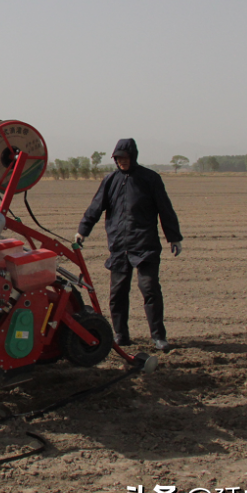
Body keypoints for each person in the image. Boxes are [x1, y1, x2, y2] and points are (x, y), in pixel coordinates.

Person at [75, 138, 182, 352]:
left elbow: (165, 209)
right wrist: (82, 231)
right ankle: (121, 335)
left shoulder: (150, 179)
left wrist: (174, 237)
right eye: (118, 158)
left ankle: (159, 336)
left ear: (133, 157)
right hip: (119, 246)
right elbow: (95, 208)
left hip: (145, 245)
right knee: (117, 293)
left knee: (150, 289)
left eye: (125, 157)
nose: (121, 162)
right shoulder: (110, 180)